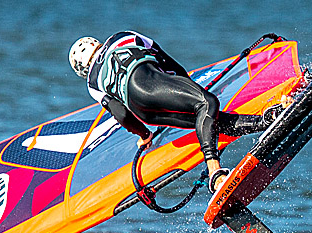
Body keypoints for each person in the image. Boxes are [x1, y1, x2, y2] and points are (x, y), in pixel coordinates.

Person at [69, 31, 279, 193]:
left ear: (82, 70)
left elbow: (121, 114)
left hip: (144, 113)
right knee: (207, 104)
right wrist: (189, 87)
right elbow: (167, 62)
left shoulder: (92, 84)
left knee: (209, 119)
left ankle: (269, 120)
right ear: (95, 43)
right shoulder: (122, 36)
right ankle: (215, 173)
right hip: (149, 84)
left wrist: (144, 135)